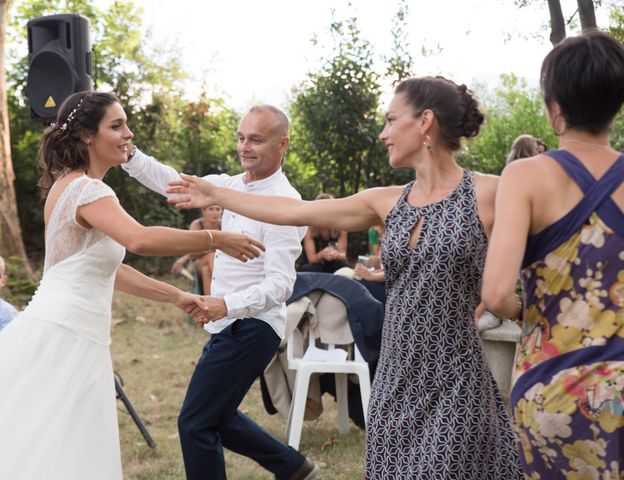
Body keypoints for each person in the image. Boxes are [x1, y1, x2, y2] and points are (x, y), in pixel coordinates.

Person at [168, 76, 524, 479]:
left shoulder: (493, 193)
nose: (383, 133)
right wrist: (216, 194)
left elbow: (537, 270)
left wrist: (517, 305)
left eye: (391, 120)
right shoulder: (386, 201)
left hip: (456, 375)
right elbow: (292, 212)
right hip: (394, 376)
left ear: (425, 122)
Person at [0, 91, 263, 480]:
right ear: (85, 135)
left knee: (50, 442)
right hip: (66, 335)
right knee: (48, 445)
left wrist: (179, 295)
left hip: (68, 329)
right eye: (116, 126)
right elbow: (141, 240)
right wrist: (216, 239)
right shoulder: (88, 190)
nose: (128, 134)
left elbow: (107, 269)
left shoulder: (67, 187)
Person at [121, 105, 318, 480]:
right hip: (227, 324)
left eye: (256, 140)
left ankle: (292, 467)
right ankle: (293, 467)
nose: (245, 147)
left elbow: (281, 285)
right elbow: (172, 181)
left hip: (253, 326)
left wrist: (225, 304)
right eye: (241, 137)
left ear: (283, 144)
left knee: (195, 424)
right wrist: (129, 155)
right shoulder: (231, 186)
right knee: (217, 416)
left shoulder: (285, 205)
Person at [482, 31, 624, 479]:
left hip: (552, 390)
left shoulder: (524, 176)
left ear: (554, 109)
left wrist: (531, 313)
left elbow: (496, 292)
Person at [172, 205, 223, 295]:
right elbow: (194, 251)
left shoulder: (224, 224)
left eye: (218, 209)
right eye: (211, 209)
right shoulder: (197, 225)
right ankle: (222, 285)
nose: (215, 213)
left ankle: (209, 301)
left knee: (205, 269)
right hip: (198, 261)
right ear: (203, 211)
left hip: (220, 261)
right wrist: (213, 248)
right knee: (211, 255)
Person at [298, 193, 348, 273]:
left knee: (343, 268)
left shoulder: (341, 227)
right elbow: (311, 259)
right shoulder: (309, 228)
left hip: (334, 263)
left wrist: (335, 254)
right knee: (311, 269)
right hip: (314, 264)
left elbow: (343, 255)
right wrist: (322, 255)